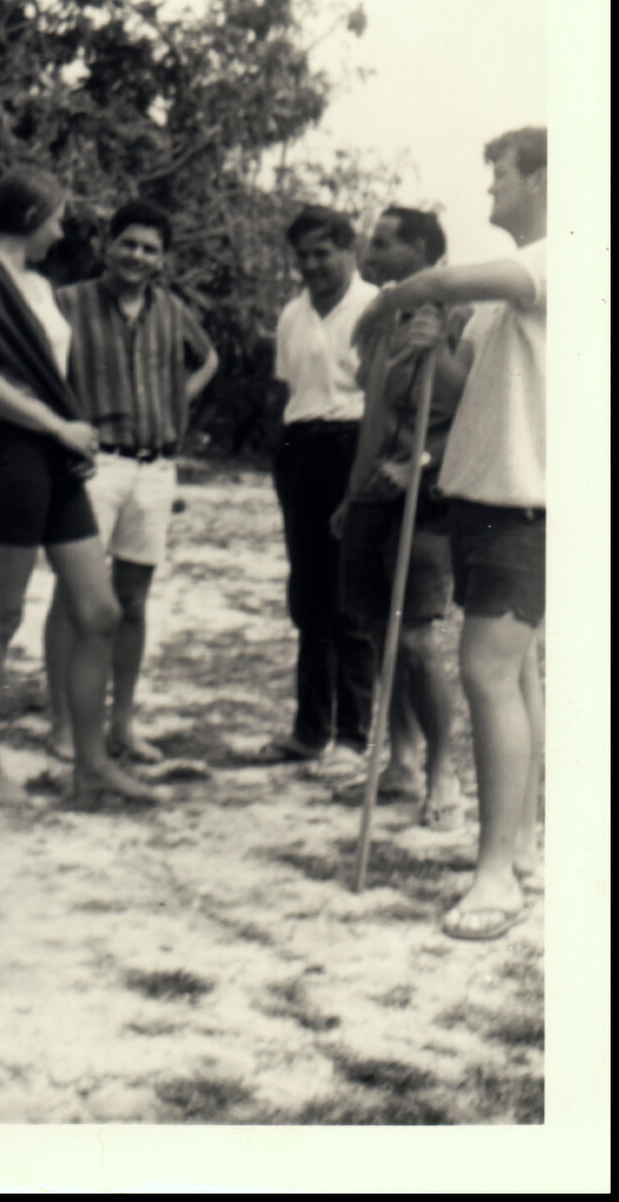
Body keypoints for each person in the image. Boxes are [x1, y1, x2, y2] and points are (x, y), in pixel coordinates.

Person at [352, 127, 547, 941]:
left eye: (501, 174)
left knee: (487, 673)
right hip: (481, 494)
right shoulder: (514, 287)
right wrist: (437, 350)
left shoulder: (557, 259)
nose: (491, 188)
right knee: (517, 674)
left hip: (527, 504)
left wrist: (388, 301)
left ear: (541, 180)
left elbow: (439, 277)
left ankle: (495, 878)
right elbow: (471, 390)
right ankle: (524, 844)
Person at [0, 169, 162, 809]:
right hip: (12, 455)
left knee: (99, 611)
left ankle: (91, 766)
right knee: (1, 616)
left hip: (56, 459)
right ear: (31, 216)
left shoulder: (39, 285)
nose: (62, 232)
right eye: (57, 218)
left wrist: (66, 433)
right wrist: (59, 425)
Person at [43, 200, 219, 764]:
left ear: (162, 259)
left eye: (150, 249)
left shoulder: (171, 309)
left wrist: (176, 402)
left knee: (133, 603)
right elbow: (38, 371)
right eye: (129, 244)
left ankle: (121, 722)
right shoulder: (67, 303)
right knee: (73, 596)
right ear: (107, 245)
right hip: (94, 466)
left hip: (155, 468)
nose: (137, 257)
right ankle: (63, 724)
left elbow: (208, 359)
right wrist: (64, 426)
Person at [332, 207, 471, 830]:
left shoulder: (462, 314)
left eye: (384, 243)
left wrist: (421, 464)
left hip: (429, 500)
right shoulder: (382, 315)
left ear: (419, 249)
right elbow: (374, 415)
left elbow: (471, 412)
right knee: (376, 628)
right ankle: (403, 762)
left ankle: (444, 773)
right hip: (372, 494)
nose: (370, 251)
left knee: (414, 637)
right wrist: (352, 494)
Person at [266, 206, 378, 768]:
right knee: (309, 596)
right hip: (300, 448)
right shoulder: (292, 314)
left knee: (350, 597)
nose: (311, 266)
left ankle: (353, 737)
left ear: (348, 250)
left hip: (353, 445)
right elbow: (289, 390)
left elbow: (384, 398)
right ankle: (310, 730)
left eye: (322, 253)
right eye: (302, 256)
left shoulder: (376, 307)